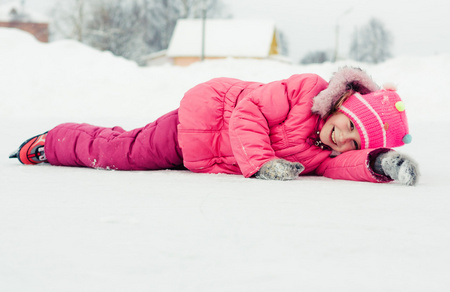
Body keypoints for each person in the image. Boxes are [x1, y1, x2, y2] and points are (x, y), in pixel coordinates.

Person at [9, 67, 419, 185]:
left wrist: (381, 162)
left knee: (129, 144)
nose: (342, 140)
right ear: (344, 103)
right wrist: (260, 164)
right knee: (124, 152)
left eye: (354, 144)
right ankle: (54, 142)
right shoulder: (304, 92)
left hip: (207, 157)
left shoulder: (325, 154)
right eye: (349, 126)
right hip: (202, 122)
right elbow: (248, 113)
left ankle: (66, 140)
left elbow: (343, 165)